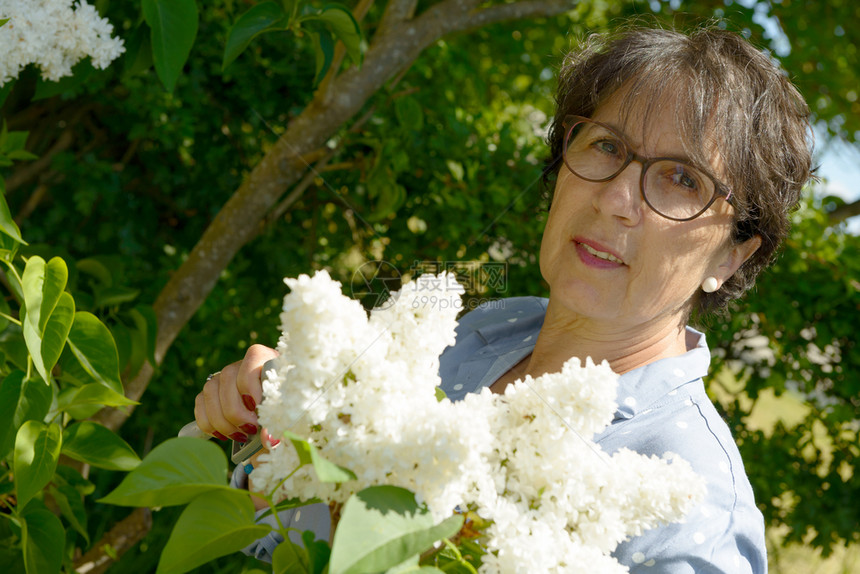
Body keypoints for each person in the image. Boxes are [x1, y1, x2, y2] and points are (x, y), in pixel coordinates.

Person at [194, 25, 812, 573]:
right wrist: (272, 432)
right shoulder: (484, 332)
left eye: (683, 180)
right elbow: (300, 538)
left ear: (732, 253)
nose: (617, 199)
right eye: (607, 146)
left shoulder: (691, 508)